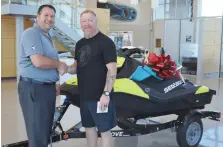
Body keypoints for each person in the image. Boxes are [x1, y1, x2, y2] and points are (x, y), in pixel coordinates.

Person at [18, 4, 68, 147]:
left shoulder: (48, 36)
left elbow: (52, 62)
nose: (49, 19)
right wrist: (59, 65)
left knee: (44, 131)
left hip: (46, 89)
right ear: (38, 16)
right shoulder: (31, 33)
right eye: (46, 15)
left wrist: (56, 83)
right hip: (34, 88)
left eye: (52, 16)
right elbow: (38, 61)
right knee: (38, 134)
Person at [67, 10, 117, 147]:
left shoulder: (105, 42)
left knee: (105, 131)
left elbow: (112, 70)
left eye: (90, 20)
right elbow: (76, 67)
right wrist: (64, 68)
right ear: (80, 24)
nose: (86, 24)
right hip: (85, 97)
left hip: (100, 97)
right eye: (83, 21)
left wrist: (106, 94)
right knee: (89, 129)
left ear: (96, 22)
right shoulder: (79, 44)